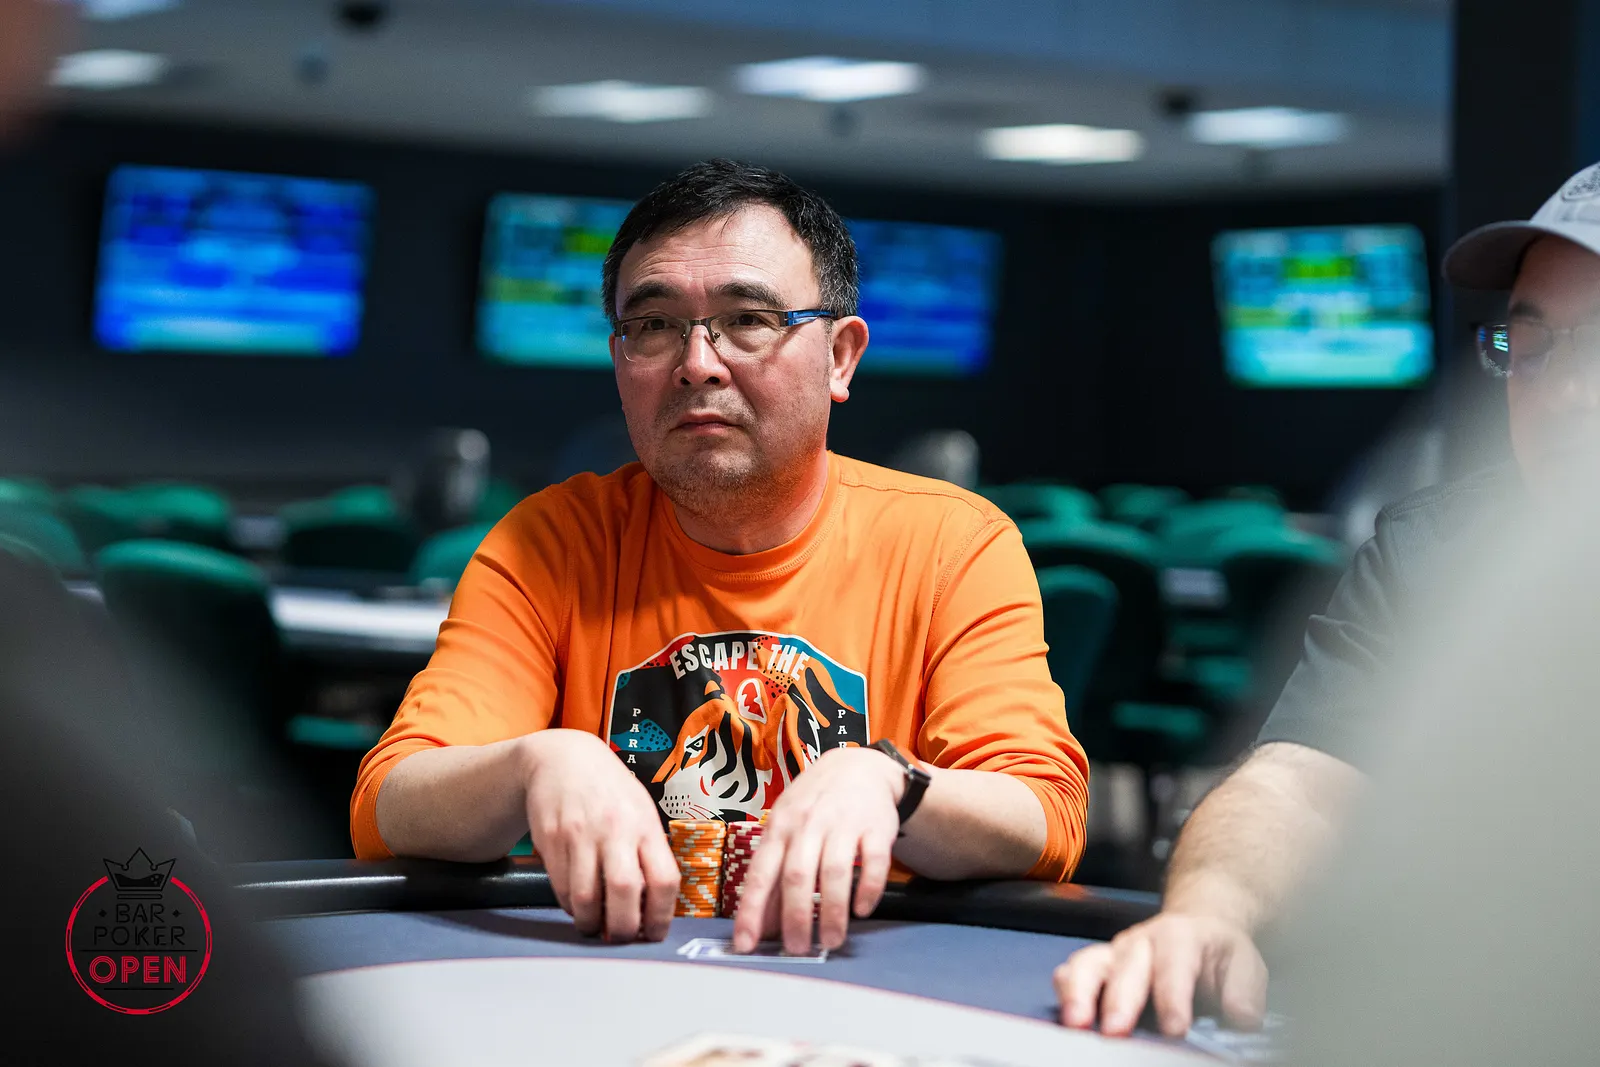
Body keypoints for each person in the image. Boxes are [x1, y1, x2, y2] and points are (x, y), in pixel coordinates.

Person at [353, 159, 1090, 954]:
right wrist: (536, 763)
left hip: (868, 972)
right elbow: (388, 807)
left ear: (840, 357)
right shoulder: (550, 542)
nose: (697, 362)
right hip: (607, 972)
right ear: (619, 359)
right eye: (653, 324)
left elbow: (1045, 817)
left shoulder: (953, 544)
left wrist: (891, 782)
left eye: (748, 319)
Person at [1055, 161, 1600, 1038]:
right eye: (1528, 345)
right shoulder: (1434, 551)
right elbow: (1302, 782)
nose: (1563, 392)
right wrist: (1207, 913)